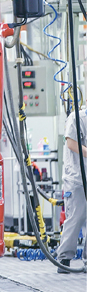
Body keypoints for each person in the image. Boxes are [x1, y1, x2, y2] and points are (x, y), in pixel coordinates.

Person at [57, 106, 87, 272]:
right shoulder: (77, 118)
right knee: (76, 217)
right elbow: (71, 143)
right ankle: (64, 258)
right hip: (77, 178)